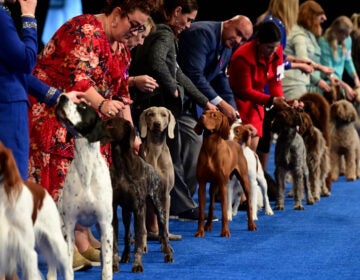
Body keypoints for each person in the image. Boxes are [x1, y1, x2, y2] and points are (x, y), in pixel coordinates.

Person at [27, 0, 154, 271]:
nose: (135, 34)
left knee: (90, 179)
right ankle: (61, 245)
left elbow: (122, 93)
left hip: (88, 123)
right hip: (54, 113)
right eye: (134, 26)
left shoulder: (119, 46)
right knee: (62, 185)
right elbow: (80, 81)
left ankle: (82, 240)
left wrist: (132, 135)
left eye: (140, 29)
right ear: (117, 14)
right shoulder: (86, 30)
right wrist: (102, 105)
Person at [129, 0, 218, 230]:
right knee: (166, 163)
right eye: (188, 19)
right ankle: (171, 214)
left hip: (151, 104)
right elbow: (158, 62)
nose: (189, 26)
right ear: (177, 12)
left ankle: (158, 224)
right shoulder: (165, 33)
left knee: (165, 163)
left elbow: (180, 74)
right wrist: (172, 87)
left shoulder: (159, 31)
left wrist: (205, 102)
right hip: (157, 107)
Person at [169, 15, 253, 221]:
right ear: (230, 22)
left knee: (194, 144)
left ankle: (183, 202)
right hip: (175, 100)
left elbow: (220, 77)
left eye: (243, 39)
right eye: (238, 34)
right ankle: (180, 205)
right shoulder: (203, 34)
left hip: (196, 103)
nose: (239, 41)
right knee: (195, 142)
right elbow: (194, 75)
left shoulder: (226, 44)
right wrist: (220, 104)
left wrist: (232, 108)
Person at [0, 0, 83, 181]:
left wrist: (58, 96)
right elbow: (26, 61)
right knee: (12, 186)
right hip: (7, 112)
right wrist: (29, 16)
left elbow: (14, 70)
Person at [255, 0, 313, 171]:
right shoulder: (276, 24)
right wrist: (298, 65)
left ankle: (260, 177)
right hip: (264, 88)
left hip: (266, 85)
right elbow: (277, 62)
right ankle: (260, 178)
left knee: (263, 136)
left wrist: (297, 61)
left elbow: (279, 56)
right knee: (263, 137)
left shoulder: (266, 19)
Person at [228, 21, 290, 151]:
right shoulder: (242, 57)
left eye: (276, 47)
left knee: (252, 149)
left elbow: (275, 82)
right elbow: (245, 91)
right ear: (258, 42)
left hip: (257, 104)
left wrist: (282, 102)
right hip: (239, 103)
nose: (273, 51)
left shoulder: (277, 50)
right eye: (269, 47)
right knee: (238, 150)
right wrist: (272, 100)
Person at [282, 0, 334, 99]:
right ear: (310, 17)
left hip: (303, 83)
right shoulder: (298, 34)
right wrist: (318, 80)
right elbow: (304, 62)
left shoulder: (307, 34)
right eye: (319, 16)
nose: (324, 19)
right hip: (294, 84)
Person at [319, 15, 360, 100]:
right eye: (346, 35)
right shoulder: (324, 42)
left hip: (339, 81)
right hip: (328, 82)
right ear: (338, 33)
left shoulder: (348, 40)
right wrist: (345, 86)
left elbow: (348, 60)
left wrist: (355, 77)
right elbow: (329, 72)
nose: (348, 37)